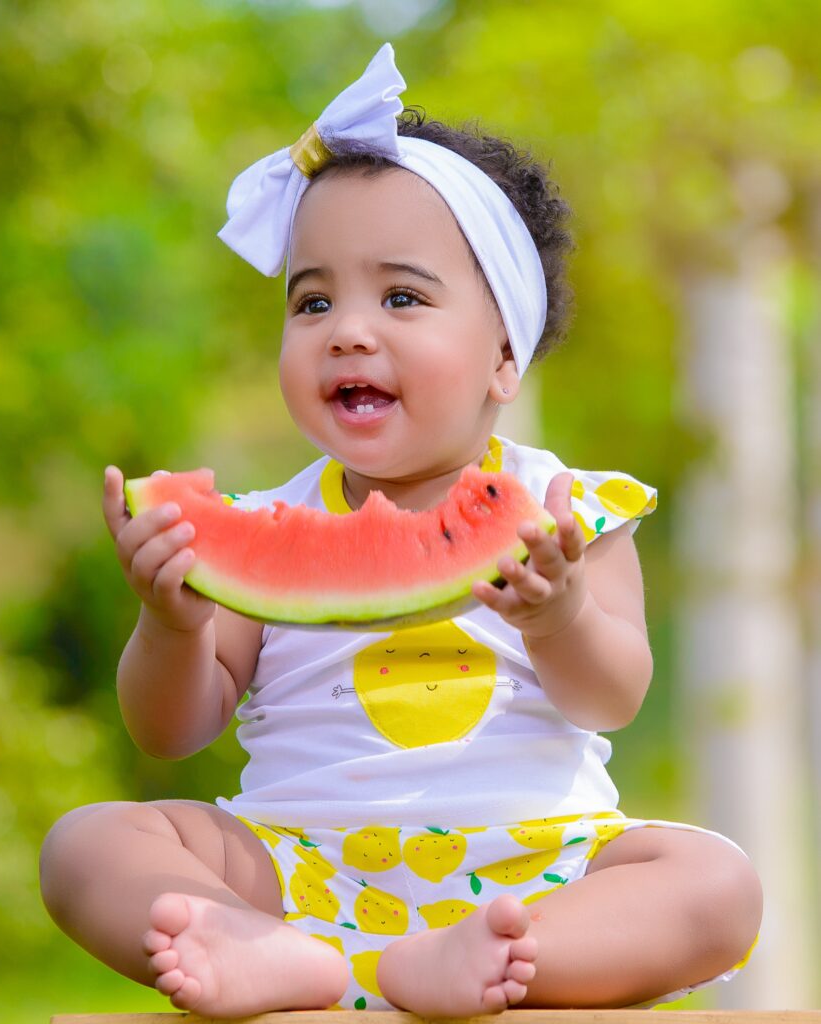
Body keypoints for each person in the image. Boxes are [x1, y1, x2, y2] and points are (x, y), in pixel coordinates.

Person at [39, 44, 762, 1018]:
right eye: (312, 299)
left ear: (504, 353)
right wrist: (170, 626)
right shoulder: (258, 527)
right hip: (295, 873)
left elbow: (611, 695)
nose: (345, 328)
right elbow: (173, 729)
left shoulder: (565, 509)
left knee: (714, 879)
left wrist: (558, 618)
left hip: (530, 872)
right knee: (85, 844)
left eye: (401, 297)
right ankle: (265, 950)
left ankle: (507, 958)